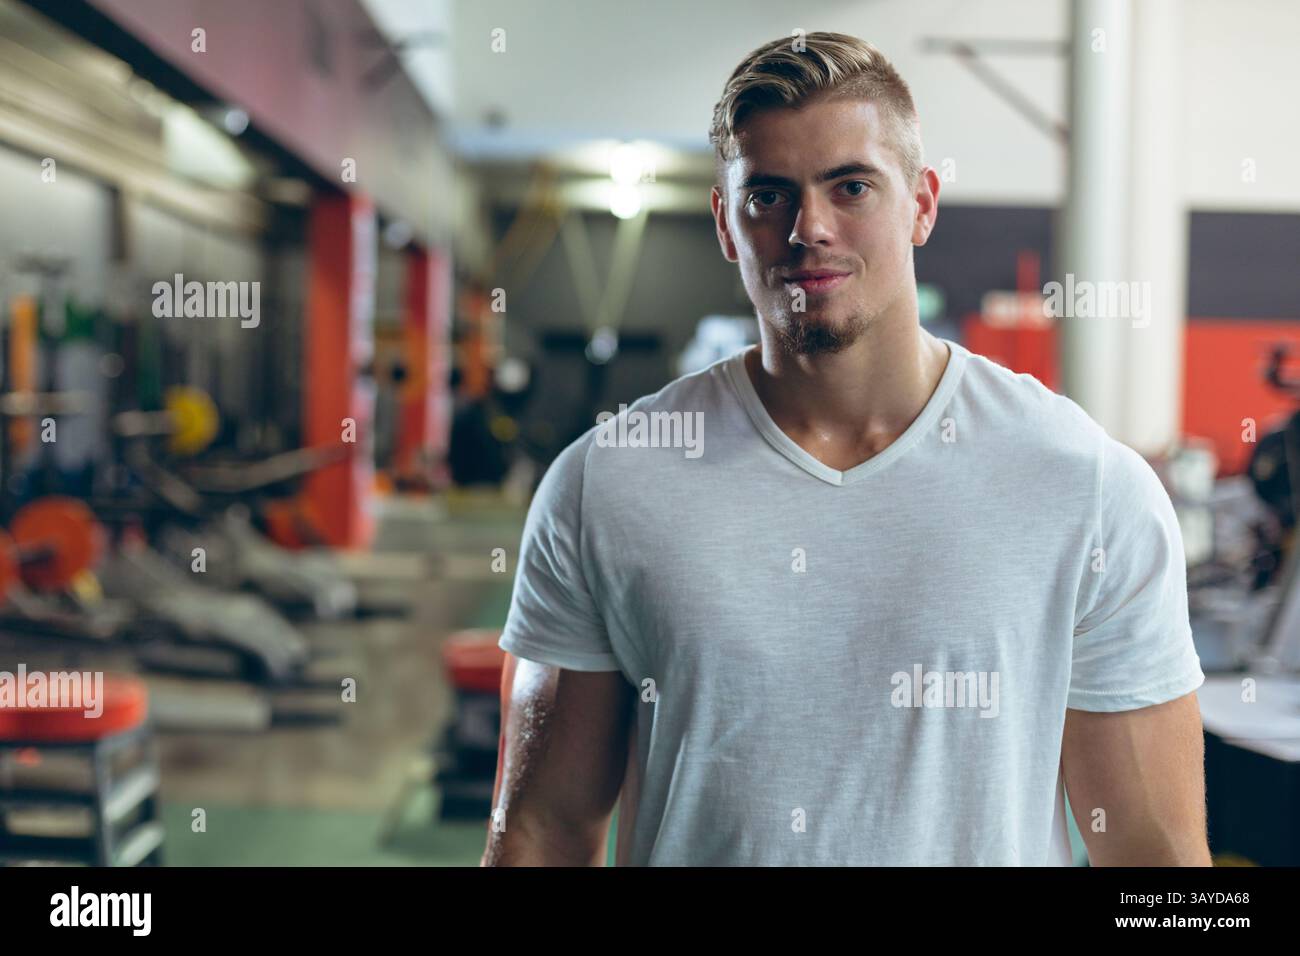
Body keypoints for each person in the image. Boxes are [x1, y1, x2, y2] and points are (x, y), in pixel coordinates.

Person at [482, 32, 1209, 866]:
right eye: (769, 196)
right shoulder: (608, 481)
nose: (810, 229)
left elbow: (1155, 856)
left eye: (852, 186)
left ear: (922, 204)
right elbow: (540, 829)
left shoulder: (1082, 486)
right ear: (726, 222)